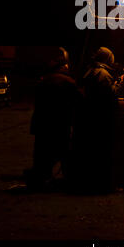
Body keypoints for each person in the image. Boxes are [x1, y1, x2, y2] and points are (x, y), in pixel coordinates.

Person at [26, 47, 81, 191]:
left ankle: (40, 179)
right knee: (64, 153)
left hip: (42, 124)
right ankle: (70, 180)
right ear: (64, 66)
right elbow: (78, 101)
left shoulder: (44, 81)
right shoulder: (68, 81)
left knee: (42, 154)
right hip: (59, 124)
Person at [71, 47, 118, 193]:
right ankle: (100, 185)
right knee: (100, 154)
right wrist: (117, 86)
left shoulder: (90, 71)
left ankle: (88, 182)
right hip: (99, 119)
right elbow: (107, 96)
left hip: (89, 118)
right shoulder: (103, 74)